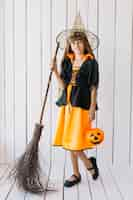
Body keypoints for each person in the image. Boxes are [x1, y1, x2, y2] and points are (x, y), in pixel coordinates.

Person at [50, 15, 100, 187]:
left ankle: (89, 165)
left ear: (85, 43)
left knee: (75, 141)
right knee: (69, 140)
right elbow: (64, 85)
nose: (76, 45)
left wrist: (93, 107)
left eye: (79, 42)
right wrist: (56, 72)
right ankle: (76, 173)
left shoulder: (91, 63)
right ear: (69, 45)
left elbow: (94, 86)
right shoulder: (68, 61)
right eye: (73, 43)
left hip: (82, 103)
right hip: (68, 103)